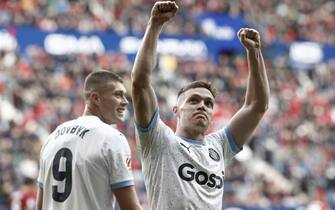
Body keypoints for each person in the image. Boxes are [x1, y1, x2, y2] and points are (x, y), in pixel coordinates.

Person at [131, 1, 270, 210]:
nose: (202, 106)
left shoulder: (219, 146)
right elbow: (140, 82)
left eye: (208, 103)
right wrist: (155, 25)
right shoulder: (158, 141)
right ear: (176, 110)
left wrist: (254, 53)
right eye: (193, 100)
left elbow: (257, 106)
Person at [36, 70, 142, 210]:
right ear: (95, 98)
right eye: (118, 94)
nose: (125, 101)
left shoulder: (52, 138)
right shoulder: (112, 139)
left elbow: (40, 206)